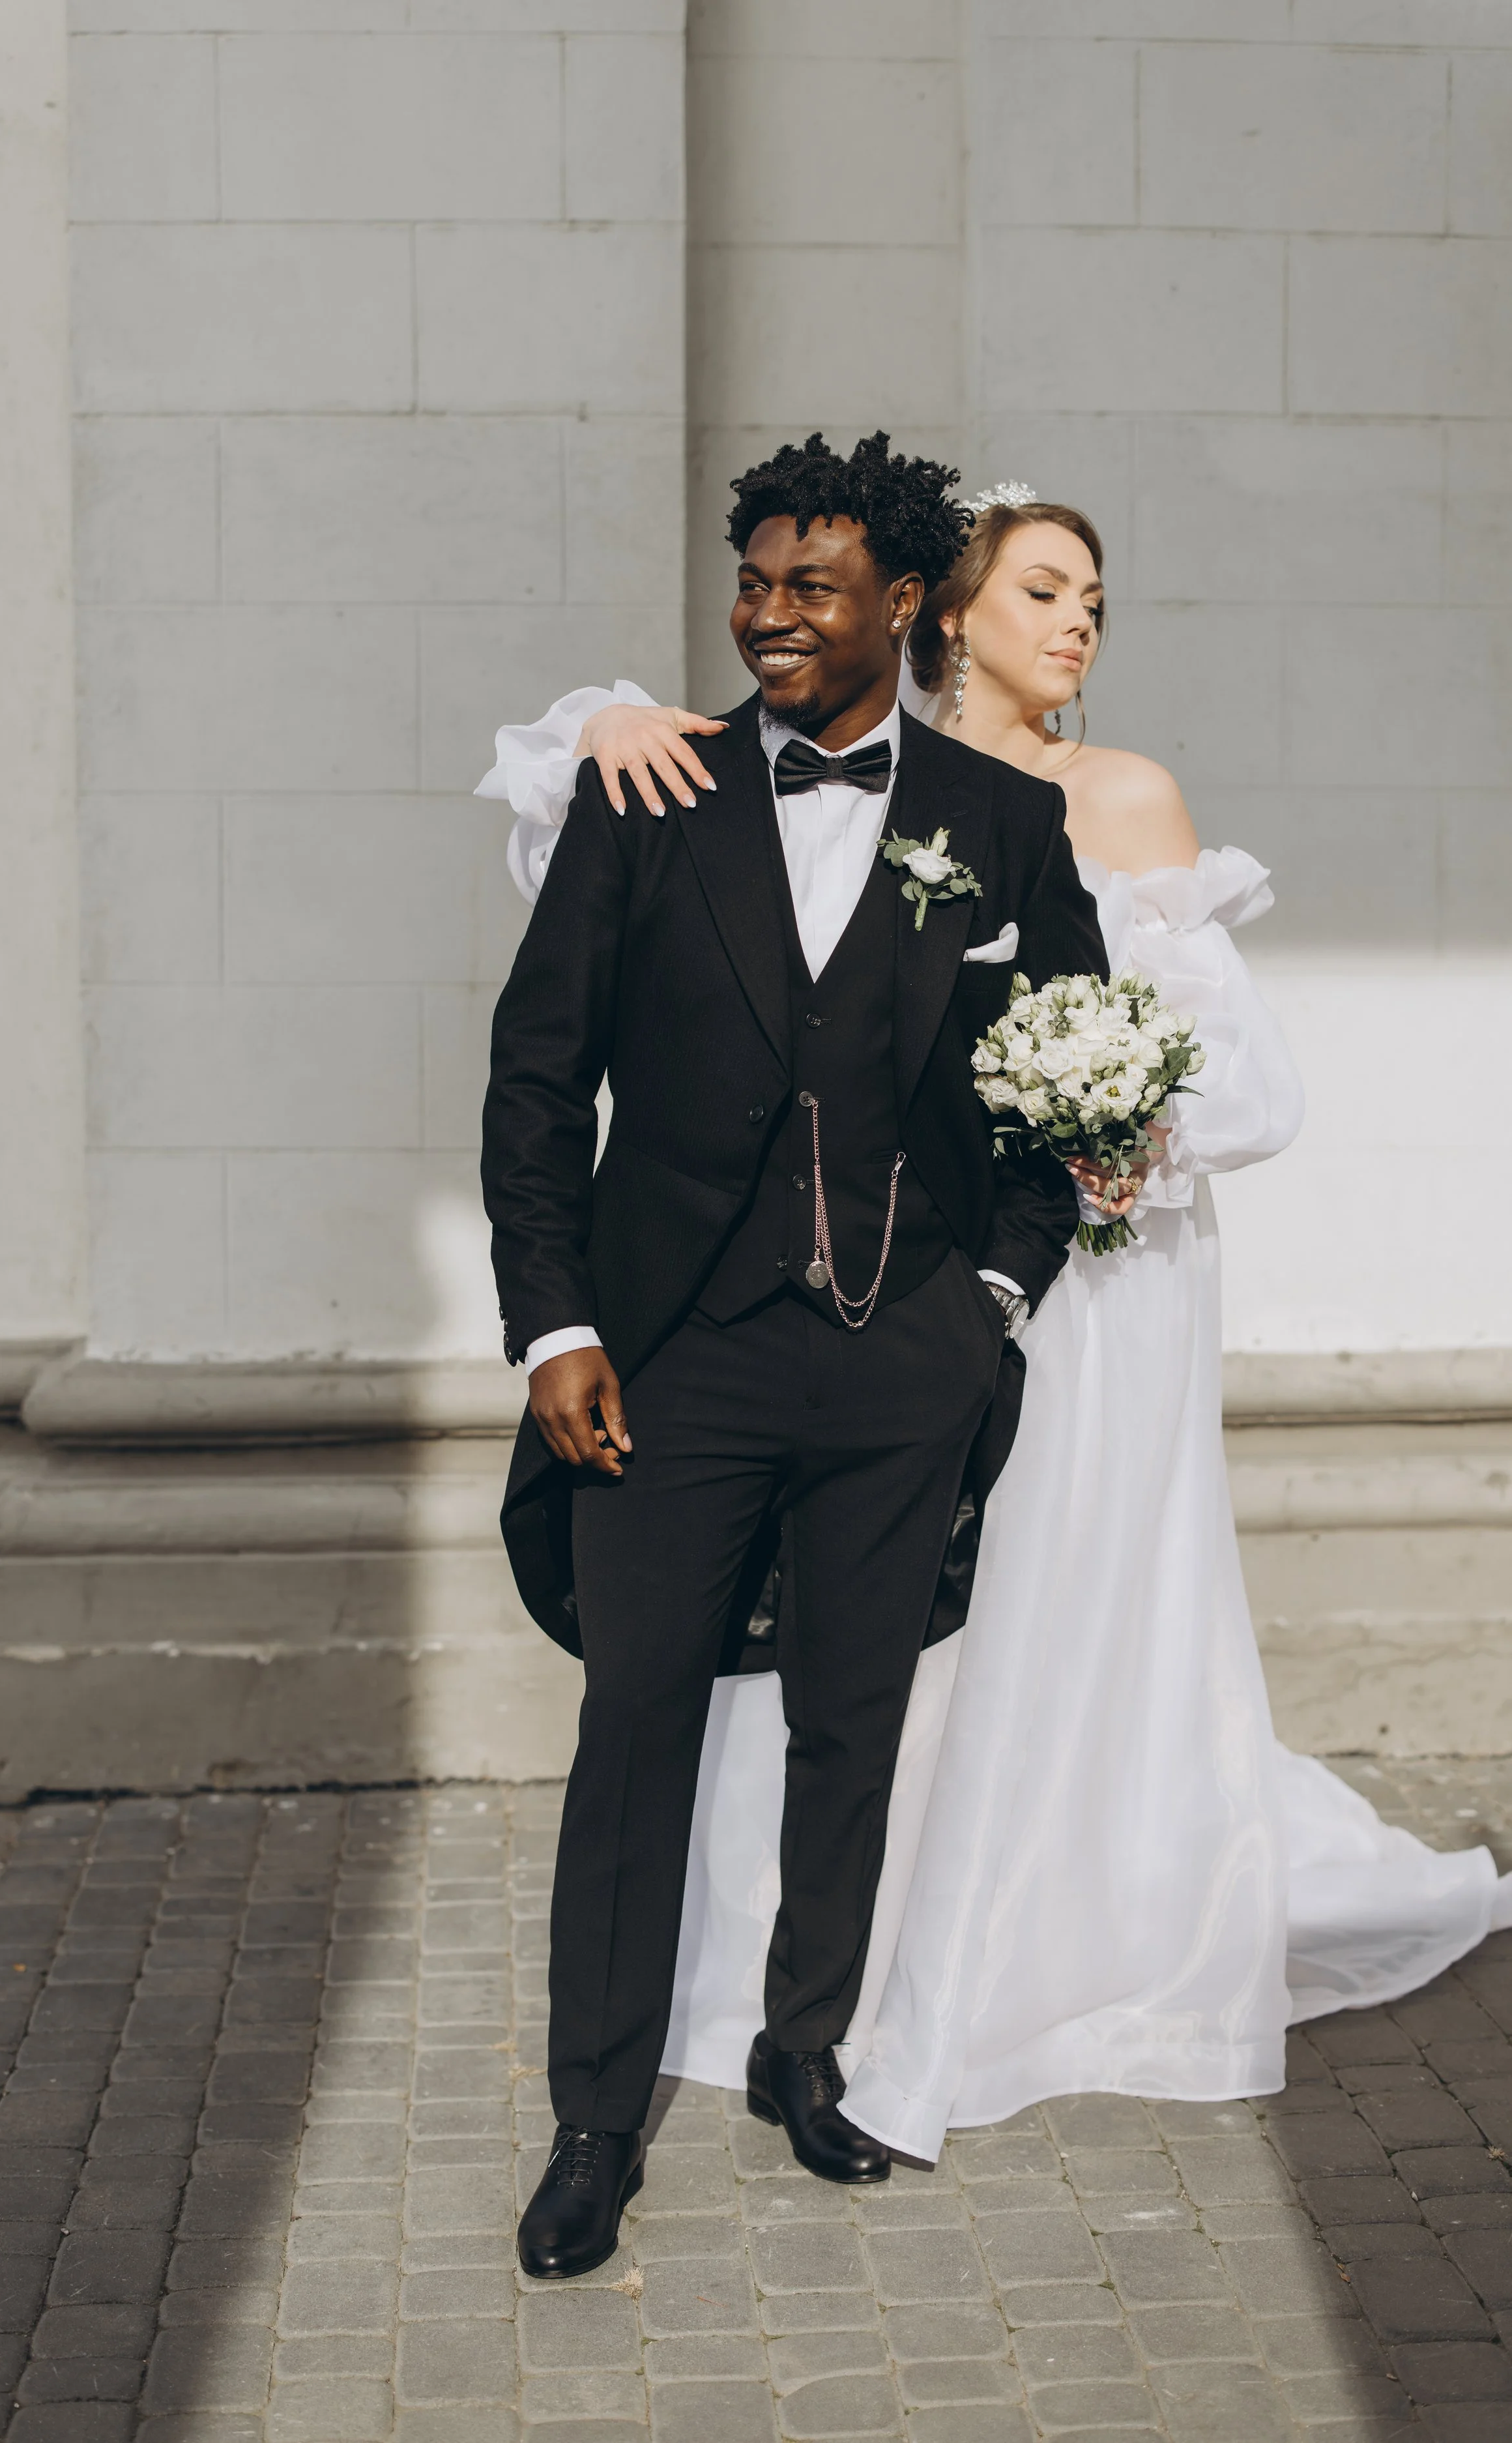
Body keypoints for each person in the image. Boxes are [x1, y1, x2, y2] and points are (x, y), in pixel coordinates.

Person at [480, 480, 1512, 2167]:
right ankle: (692, 2057)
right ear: (949, 611)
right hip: (770, 1327)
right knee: (747, 1682)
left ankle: (917, 1993)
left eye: (1095, 596)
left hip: (1001, 1318)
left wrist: (1048, 1221)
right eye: (1045, 588)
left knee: (952, 1669)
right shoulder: (744, 779)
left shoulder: (1066, 807)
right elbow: (570, 1013)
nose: (1079, 621)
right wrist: (554, 1327)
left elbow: (1155, 1069)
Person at [480, 434, 1108, 2279]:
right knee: (634, 1727)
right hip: (667, 1360)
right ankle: (594, 2123)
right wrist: (556, 1324)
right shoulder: (646, 798)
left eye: (806, 587)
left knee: (854, 1723)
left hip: (900, 1356)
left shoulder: (999, 826)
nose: (765, 615)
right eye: (749, 583)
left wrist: (992, 1304)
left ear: (899, 603)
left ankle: (801, 2049)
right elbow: (537, 1080)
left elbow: (1073, 1082)